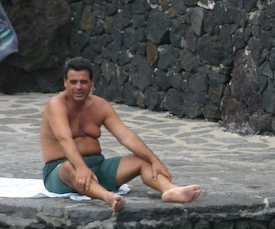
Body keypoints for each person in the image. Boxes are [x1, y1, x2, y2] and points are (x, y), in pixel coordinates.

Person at [40, 57, 201, 212]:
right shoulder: (56, 105)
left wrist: (155, 161)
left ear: (92, 82)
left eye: (83, 82)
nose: (79, 87)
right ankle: (108, 197)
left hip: (97, 167)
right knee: (70, 167)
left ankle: (170, 190)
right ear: (65, 82)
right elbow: (64, 139)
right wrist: (81, 167)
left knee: (142, 159)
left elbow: (125, 136)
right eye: (73, 82)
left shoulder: (100, 105)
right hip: (61, 172)